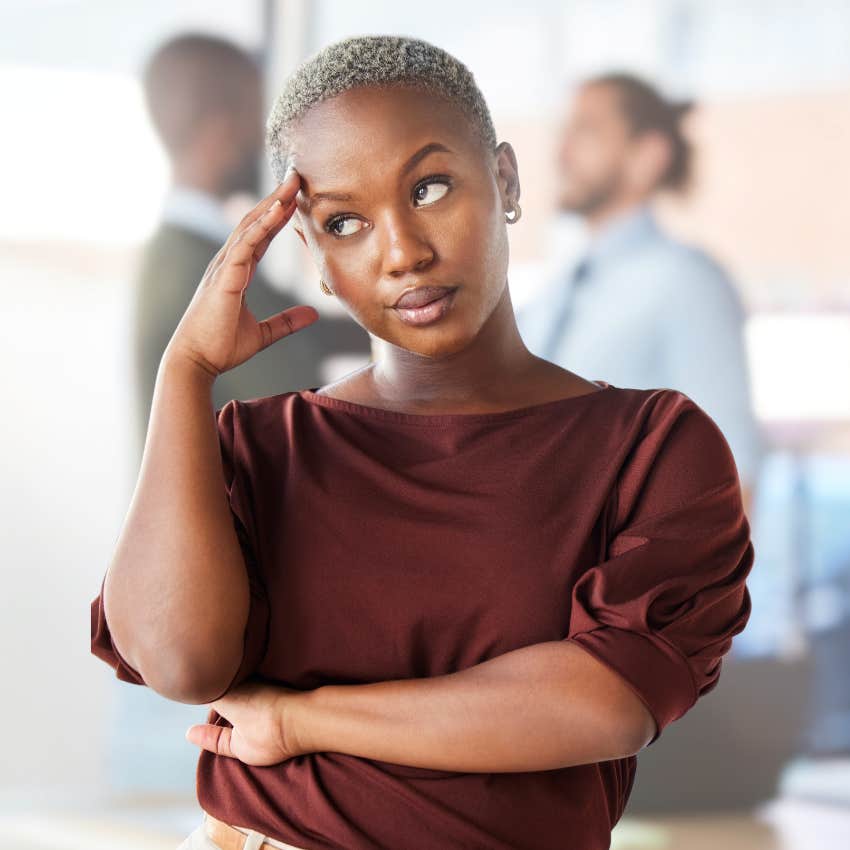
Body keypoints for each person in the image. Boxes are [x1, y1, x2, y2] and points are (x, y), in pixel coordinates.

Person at [91, 35, 755, 850]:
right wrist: (184, 372)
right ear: (316, 257)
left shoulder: (651, 447)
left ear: (505, 180)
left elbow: (603, 704)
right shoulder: (261, 449)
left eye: (431, 187)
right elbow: (181, 666)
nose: (403, 251)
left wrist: (300, 722)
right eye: (345, 221)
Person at [516, 72, 764, 517]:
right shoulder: (555, 292)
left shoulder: (686, 283)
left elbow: (732, 484)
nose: (563, 152)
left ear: (647, 156)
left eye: (587, 131)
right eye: (564, 132)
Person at [134, 32, 371, 461]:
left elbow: (304, 330)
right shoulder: (205, 274)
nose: (272, 145)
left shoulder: (184, 254)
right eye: (259, 117)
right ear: (223, 130)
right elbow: (298, 413)